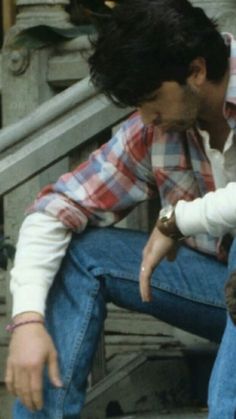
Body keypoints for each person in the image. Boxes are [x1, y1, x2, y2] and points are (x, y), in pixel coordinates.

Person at [5, 0, 236, 417]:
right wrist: (26, 320)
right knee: (81, 253)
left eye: (151, 99)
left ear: (197, 71)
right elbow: (55, 208)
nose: (146, 118)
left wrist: (176, 221)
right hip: (218, 295)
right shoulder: (155, 127)